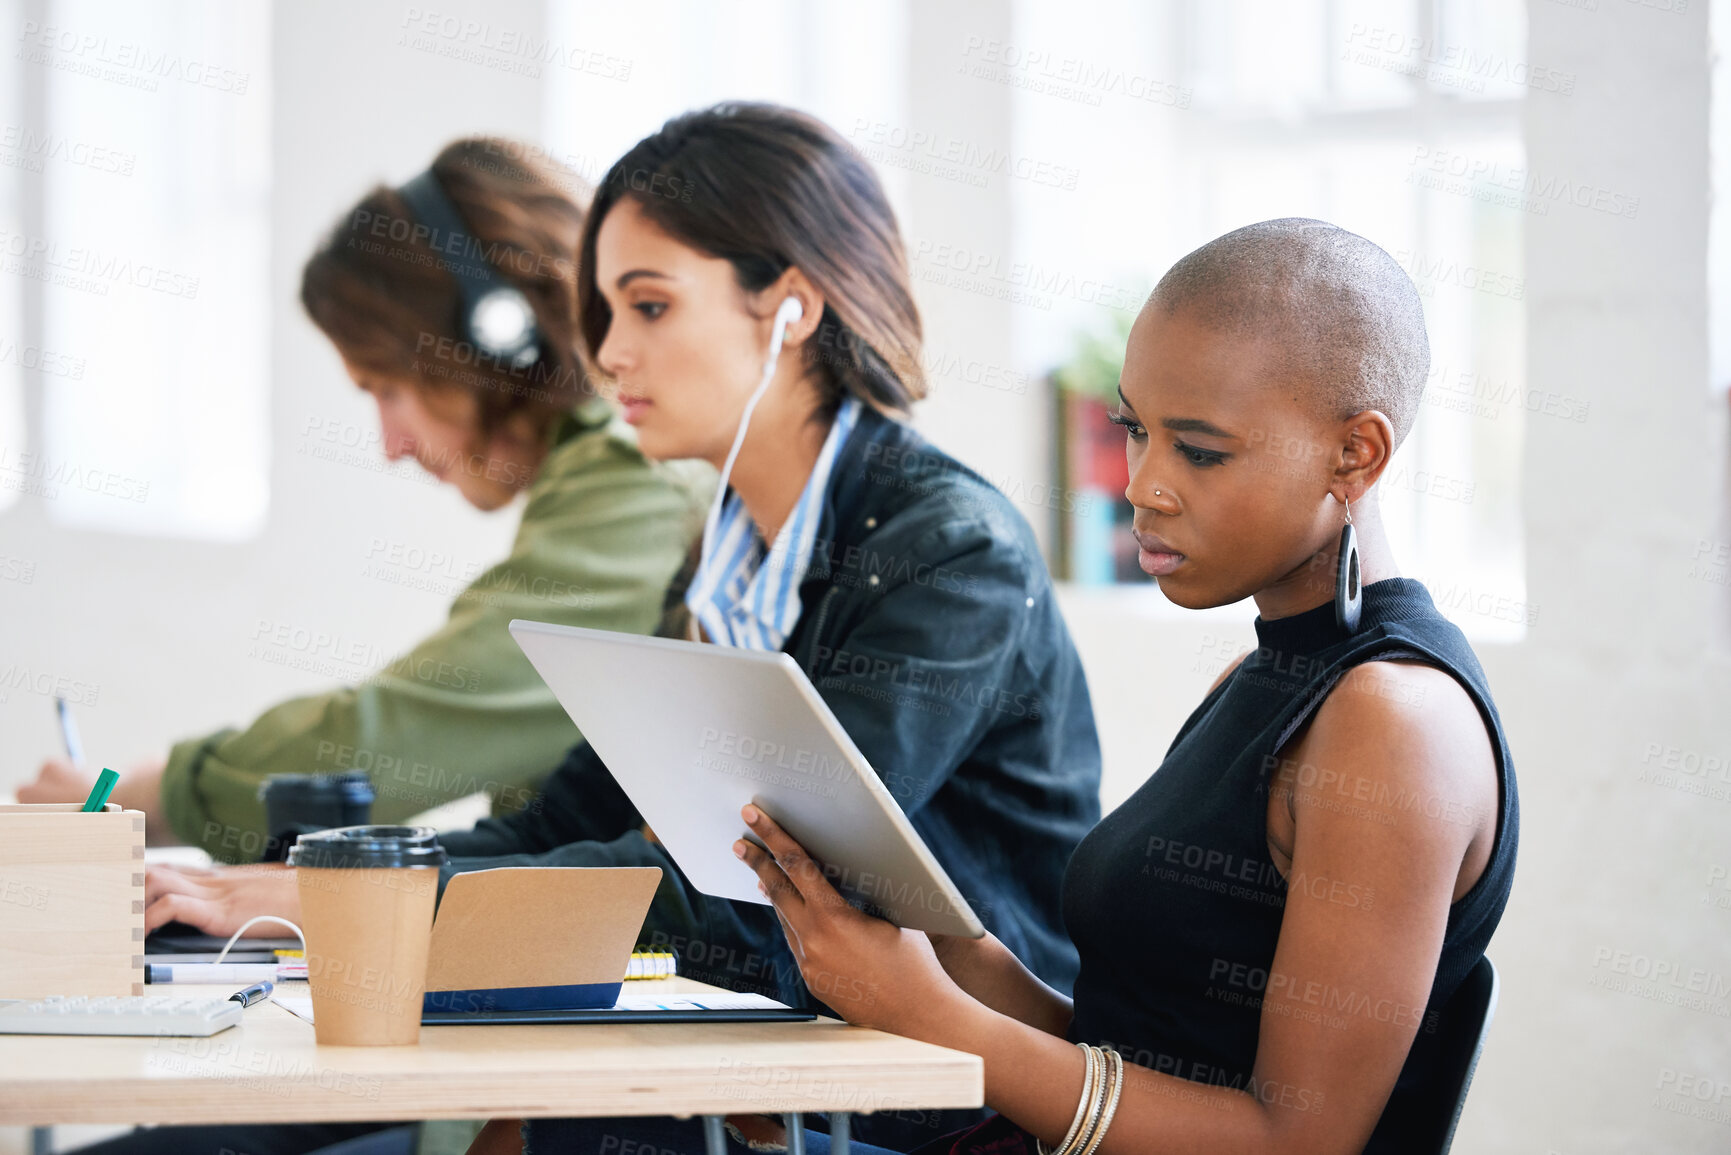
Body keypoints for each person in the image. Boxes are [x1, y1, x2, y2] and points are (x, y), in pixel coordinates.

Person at [134, 103, 1104, 1155]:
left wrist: (365, 909)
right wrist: (329, 889)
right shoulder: (726, 560)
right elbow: (566, 821)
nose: (605, 353)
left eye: (648, 306)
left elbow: (748, 894)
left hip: (934, 1111)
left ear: (791, 309)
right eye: (601, 310)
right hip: (747, 1074)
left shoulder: (948, 557)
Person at [689, 220, 1522, 1155]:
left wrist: (934, 1014)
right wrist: (940, 945)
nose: (1144, 485)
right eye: (1134, 429)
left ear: (1355, 455)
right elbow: (1128, 1051)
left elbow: (1295, 1142)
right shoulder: (1263, 676)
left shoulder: (1390, 722)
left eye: (1199, 451)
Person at [19, 137, 713, 859]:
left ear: (495, 335)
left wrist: (151, 793)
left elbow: (401, 734)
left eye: (386, 387)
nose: (390, 444)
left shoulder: (635, 485)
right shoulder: (605, 477)